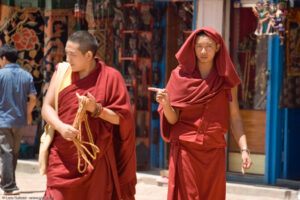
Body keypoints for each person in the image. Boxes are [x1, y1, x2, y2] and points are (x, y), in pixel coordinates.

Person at [149, 27, 252, 200]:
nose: (203, 51)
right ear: (193, 48)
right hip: (186, 150)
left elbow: (235, 116)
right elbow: (173, 120)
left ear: (218, 47)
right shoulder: (180, 76)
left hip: (214, 151)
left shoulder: (226, 79)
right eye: (199, 46)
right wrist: (166, 105)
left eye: (209, 46)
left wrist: (244, 149)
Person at [41, 31, 136, 200]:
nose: (67, 59)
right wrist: (61, 127)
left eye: (73, 55)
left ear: (89, 55)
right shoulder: (63, 72)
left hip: (96, 158)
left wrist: (97, 109)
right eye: (66, 54)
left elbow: (122, 118)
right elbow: (47, 107)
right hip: (62, 156)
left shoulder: (110, 77)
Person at [0, 44, 37, 195]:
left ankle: (8, 185)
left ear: (3, 58)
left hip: (3, 120)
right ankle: (9, 181)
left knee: (7, 152)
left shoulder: (0, 75)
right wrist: (28, 114)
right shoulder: (27, 75)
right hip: (20, 120)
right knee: (14, 152)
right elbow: (33, 99)